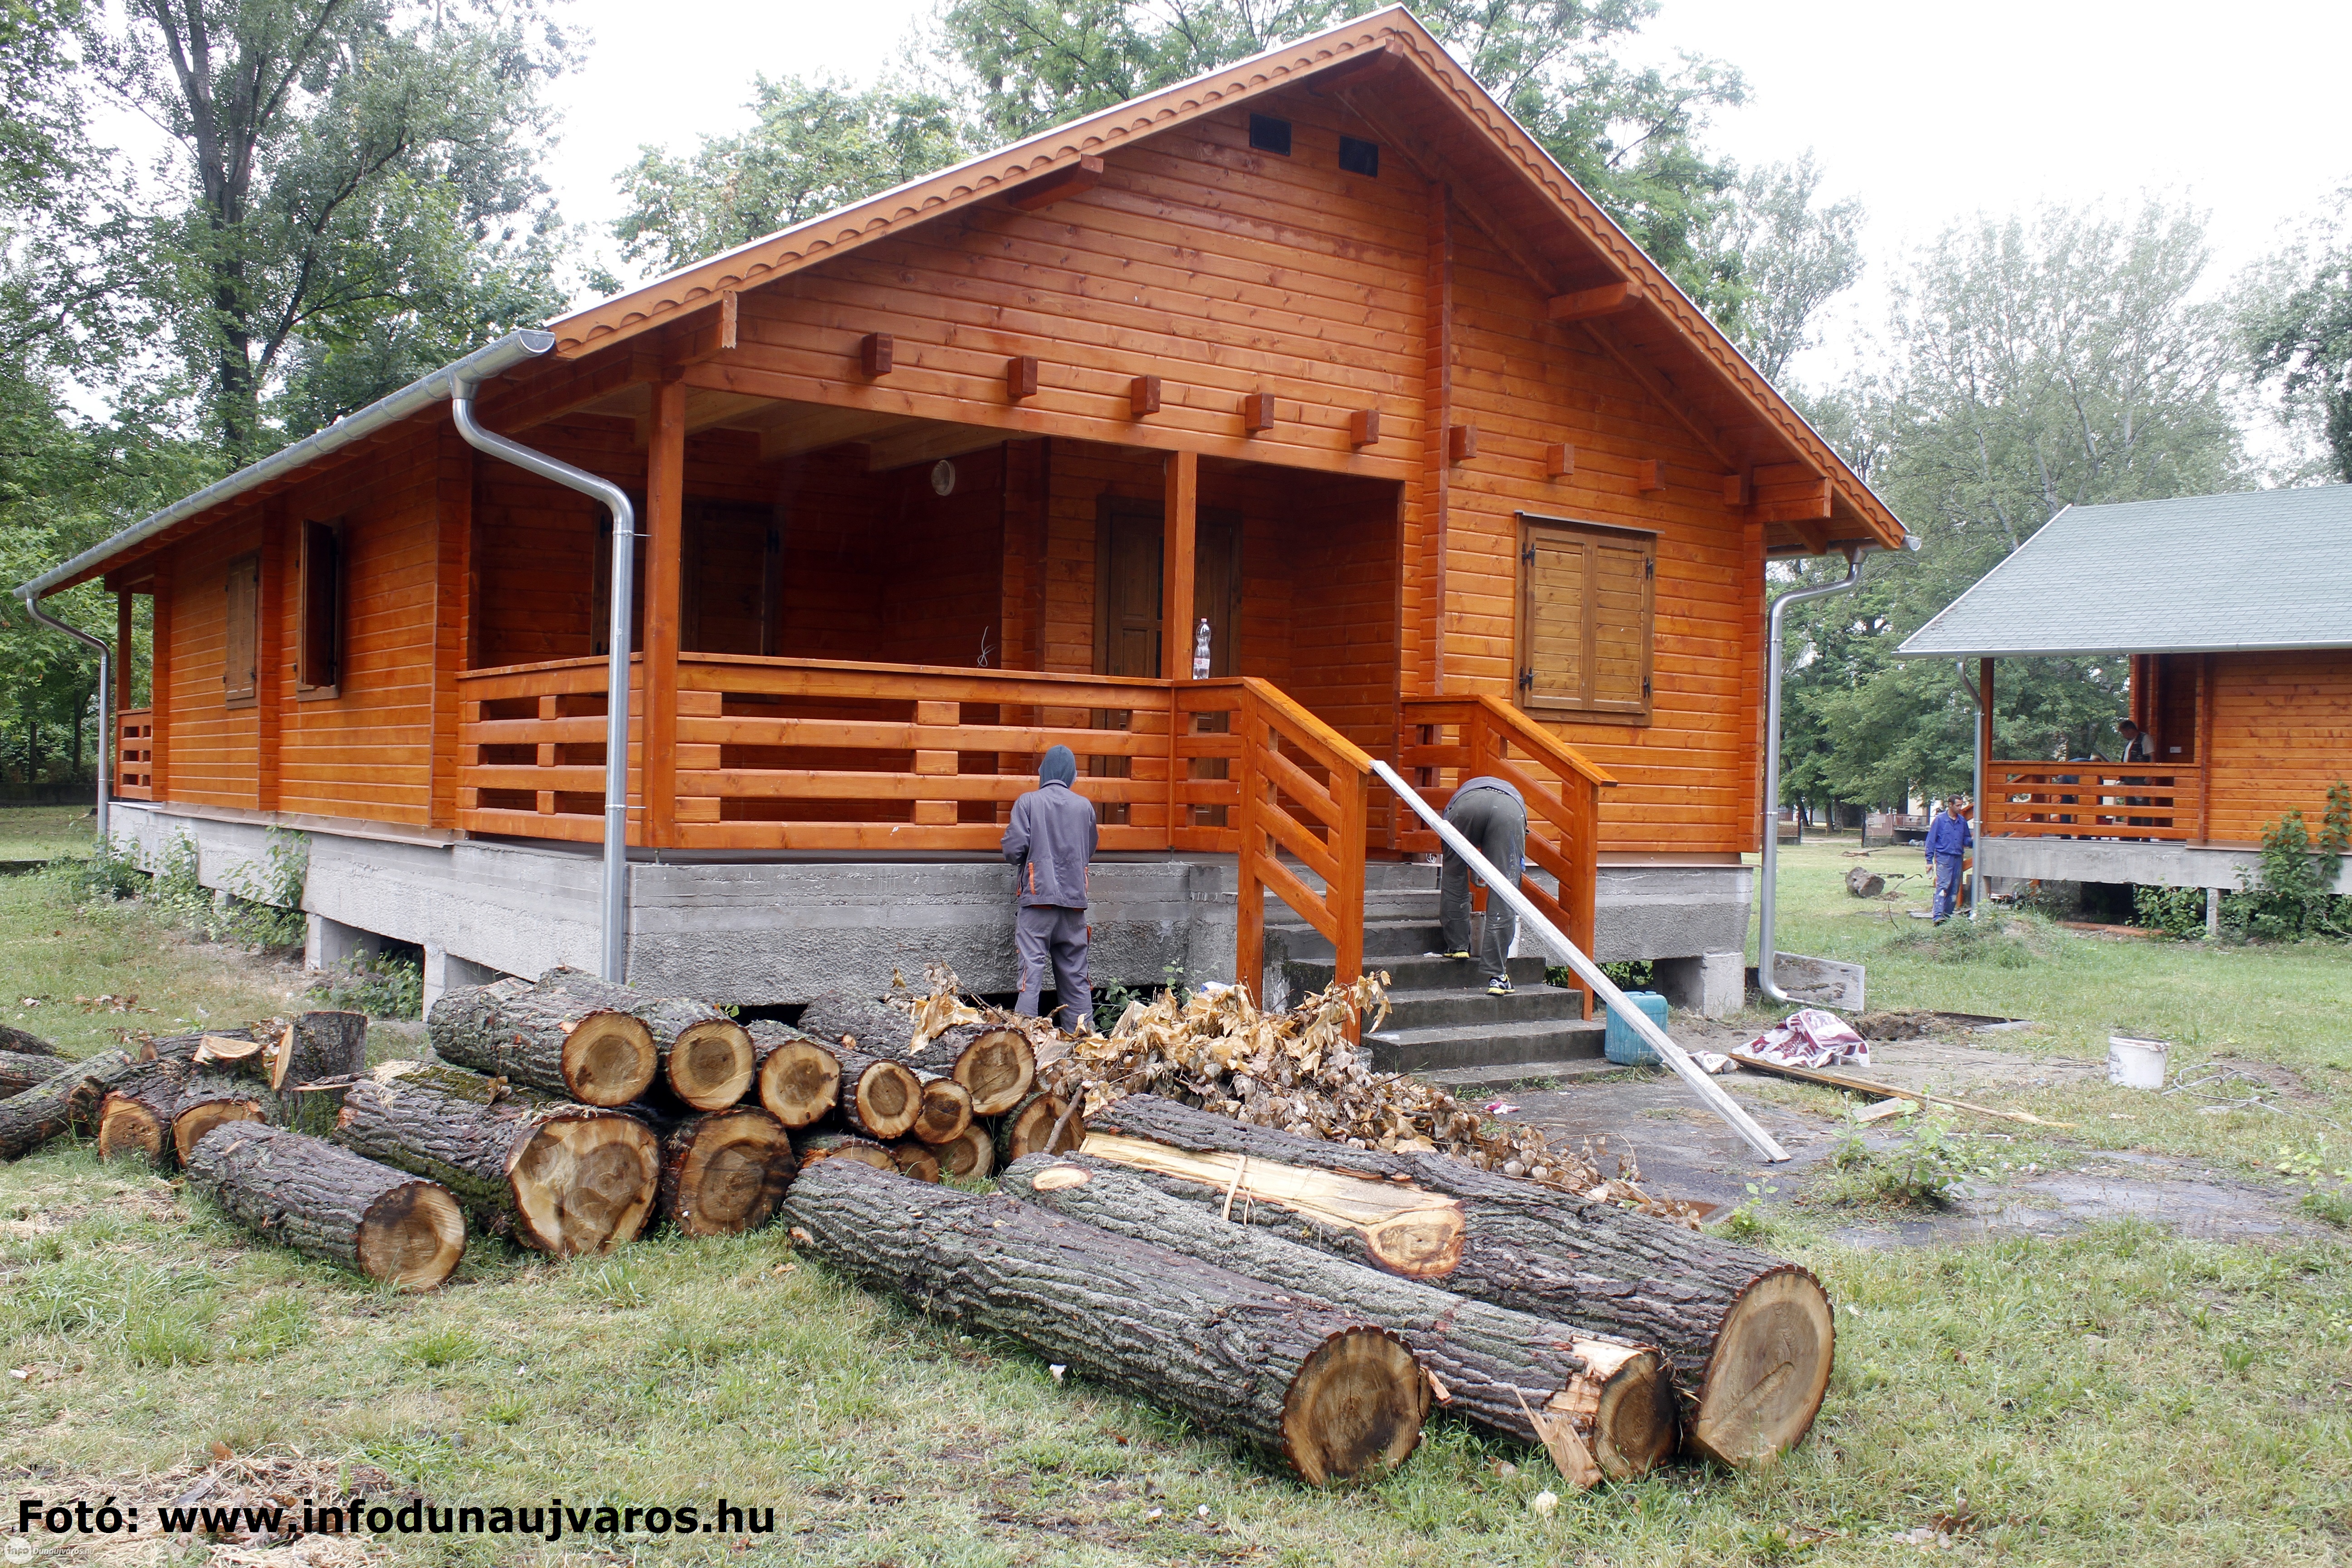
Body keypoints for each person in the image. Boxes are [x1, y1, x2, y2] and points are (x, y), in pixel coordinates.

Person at [1003, 744, 1096, 1031]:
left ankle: (1027, 1044)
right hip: (1073, 907)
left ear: (1044, 772)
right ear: (1071, 774)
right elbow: (1089, 848)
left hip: (1038, 904)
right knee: (1076, 979)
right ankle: (1086, 1049)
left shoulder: (1028, 802)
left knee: (1030, 977)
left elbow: (1013, 850)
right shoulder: (1085, 807)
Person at [1435, 775, 1528, 996]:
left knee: (1453, 873)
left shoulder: (1466, 792)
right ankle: (1497, 975)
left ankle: (1457, 946)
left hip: (1465, 808)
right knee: (1504, 887)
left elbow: (1472, 840)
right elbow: (1499, 846)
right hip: (1509, 811)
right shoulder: (1514, 802)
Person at [1924, 794, 1973, 923]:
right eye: (1958, 805)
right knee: (1943, 886)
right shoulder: (1940, 821)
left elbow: (1966, 839)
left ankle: (1947, 917)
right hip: (1943, 857)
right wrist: (1929, 861)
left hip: (1957, 857)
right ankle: (1937, 916)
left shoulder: (1962, 821)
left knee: (1954, 889)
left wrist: (1974, 840)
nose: (1960, 808)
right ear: (1950, 805)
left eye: (1961, 805)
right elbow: (1930, 841)